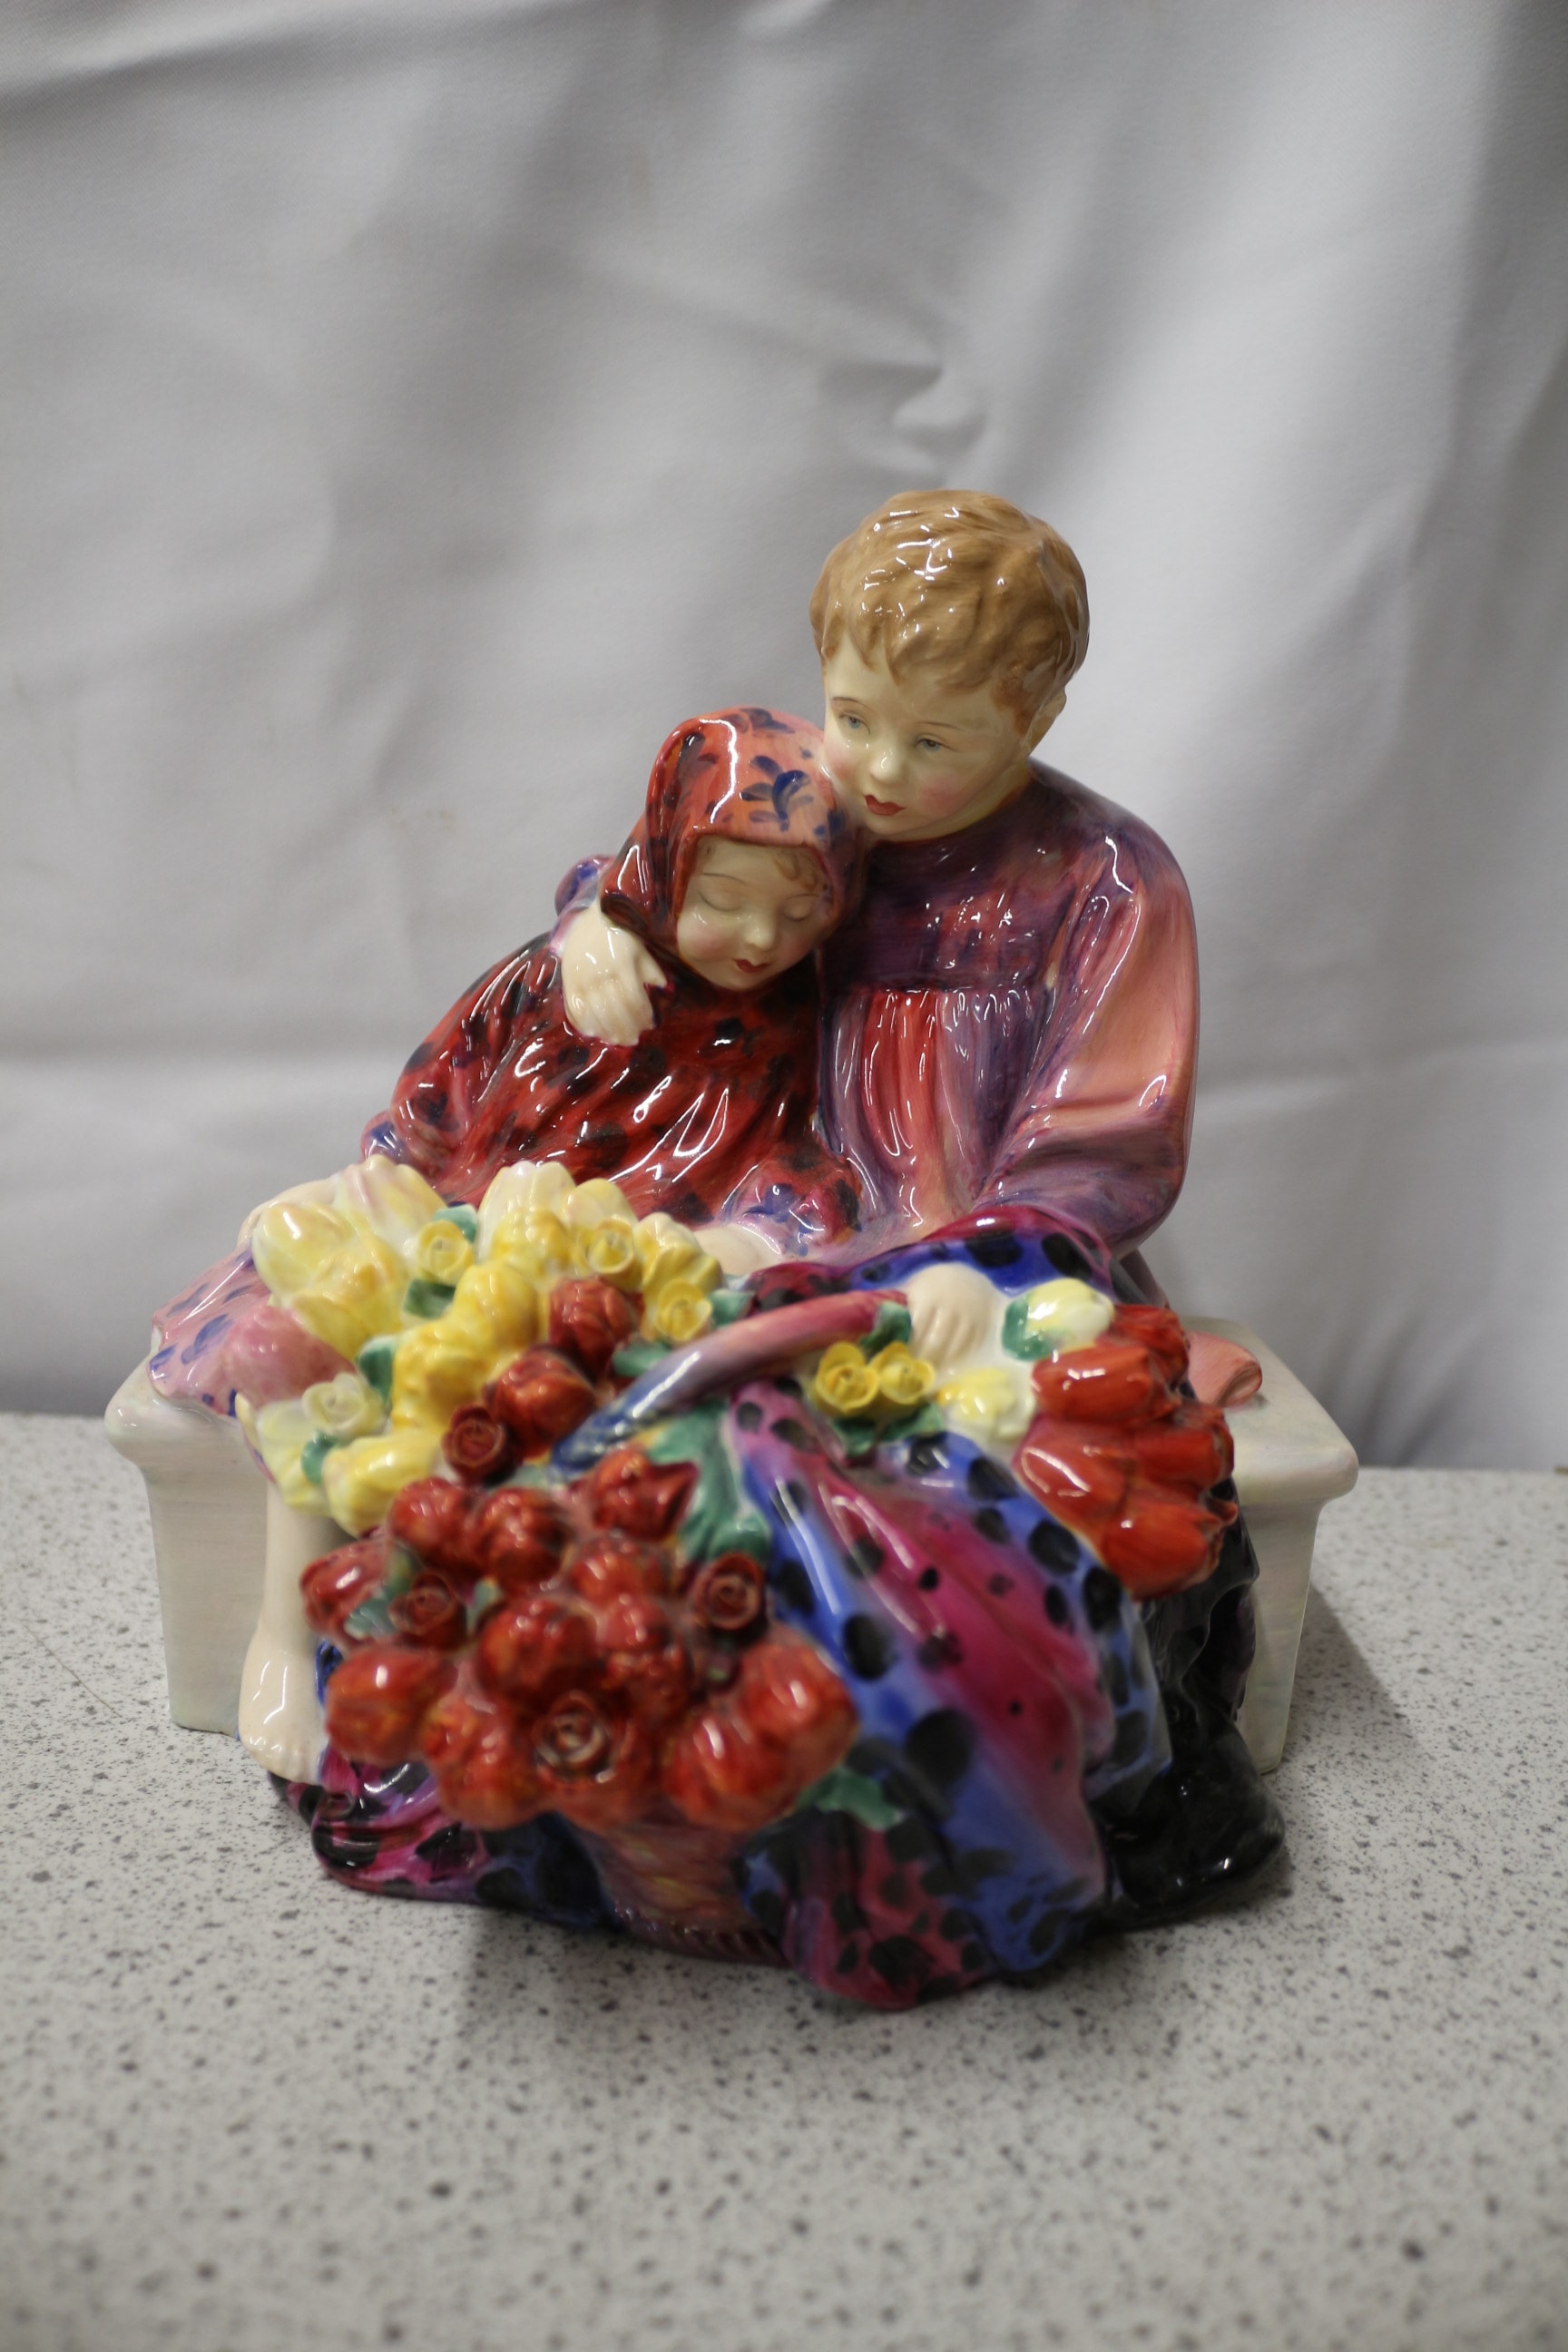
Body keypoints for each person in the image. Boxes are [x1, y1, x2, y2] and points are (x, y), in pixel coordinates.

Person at [557, 492, 1198, 1308]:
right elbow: (669, 877)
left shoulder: (1106, 878)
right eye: (854, 721)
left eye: (932, 742)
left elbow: (1108, 1147)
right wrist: (598, 923)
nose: (883, 772)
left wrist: (985, 1263)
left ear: (1034, 723)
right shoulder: (807, 819)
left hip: (996, 1265)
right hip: (789, 1216)